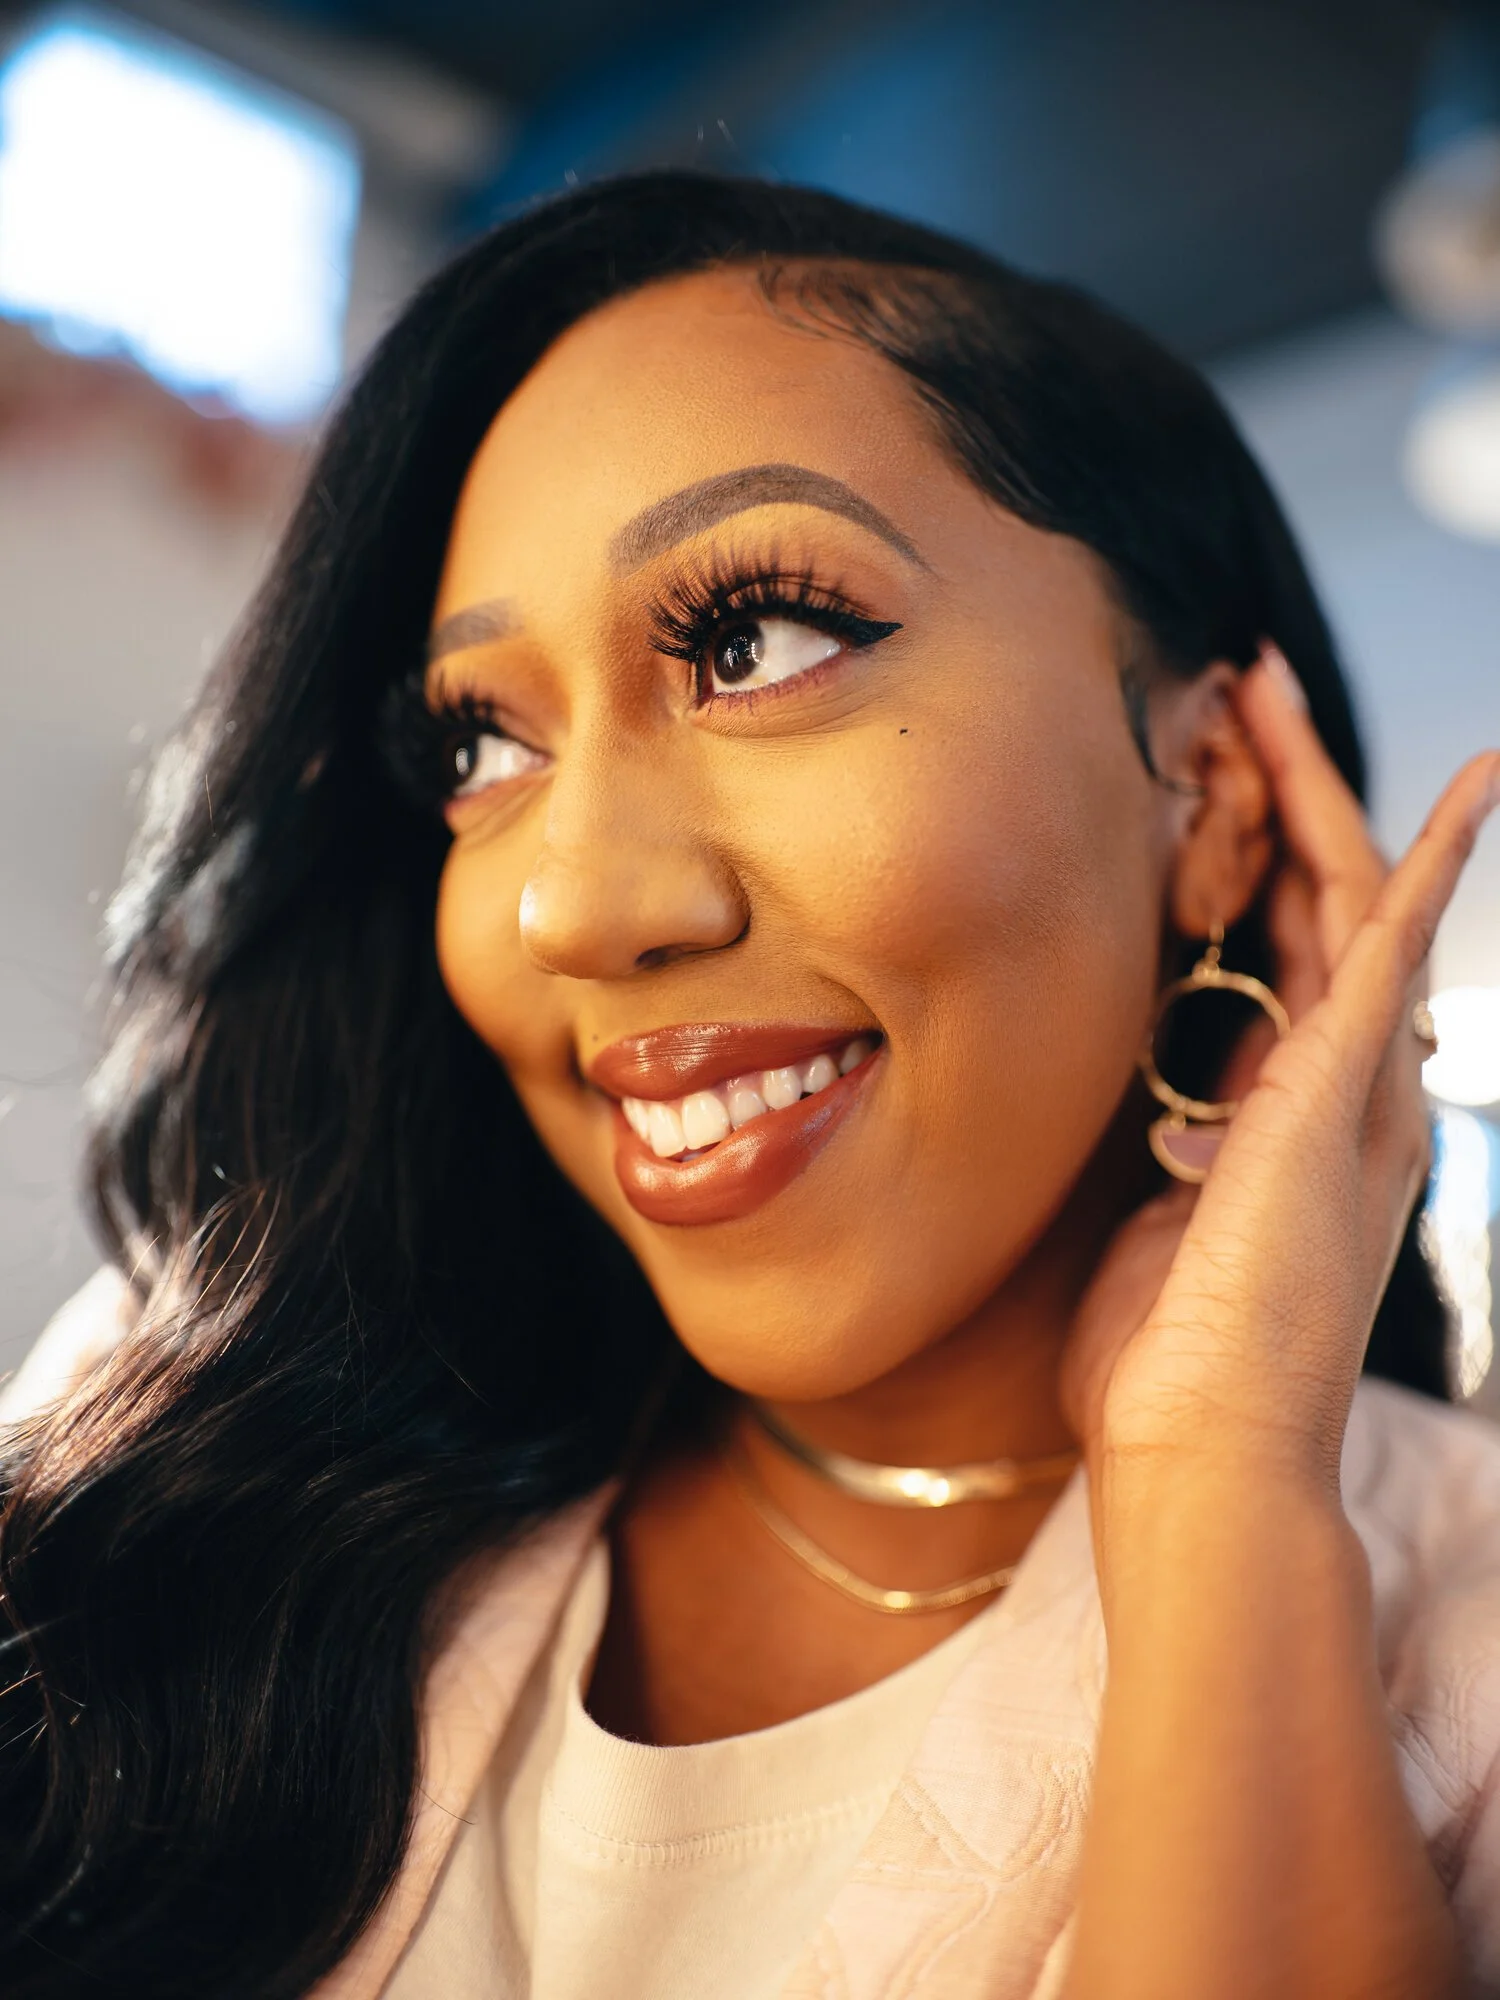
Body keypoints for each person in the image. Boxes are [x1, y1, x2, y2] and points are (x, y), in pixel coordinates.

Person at [1, 171, 1498, 2000]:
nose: (572, 901)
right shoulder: (182, 1437)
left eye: (750, 642)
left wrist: (1219, 1482)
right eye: (481, 744)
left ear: (1216, 796)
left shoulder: (1473, 1638)